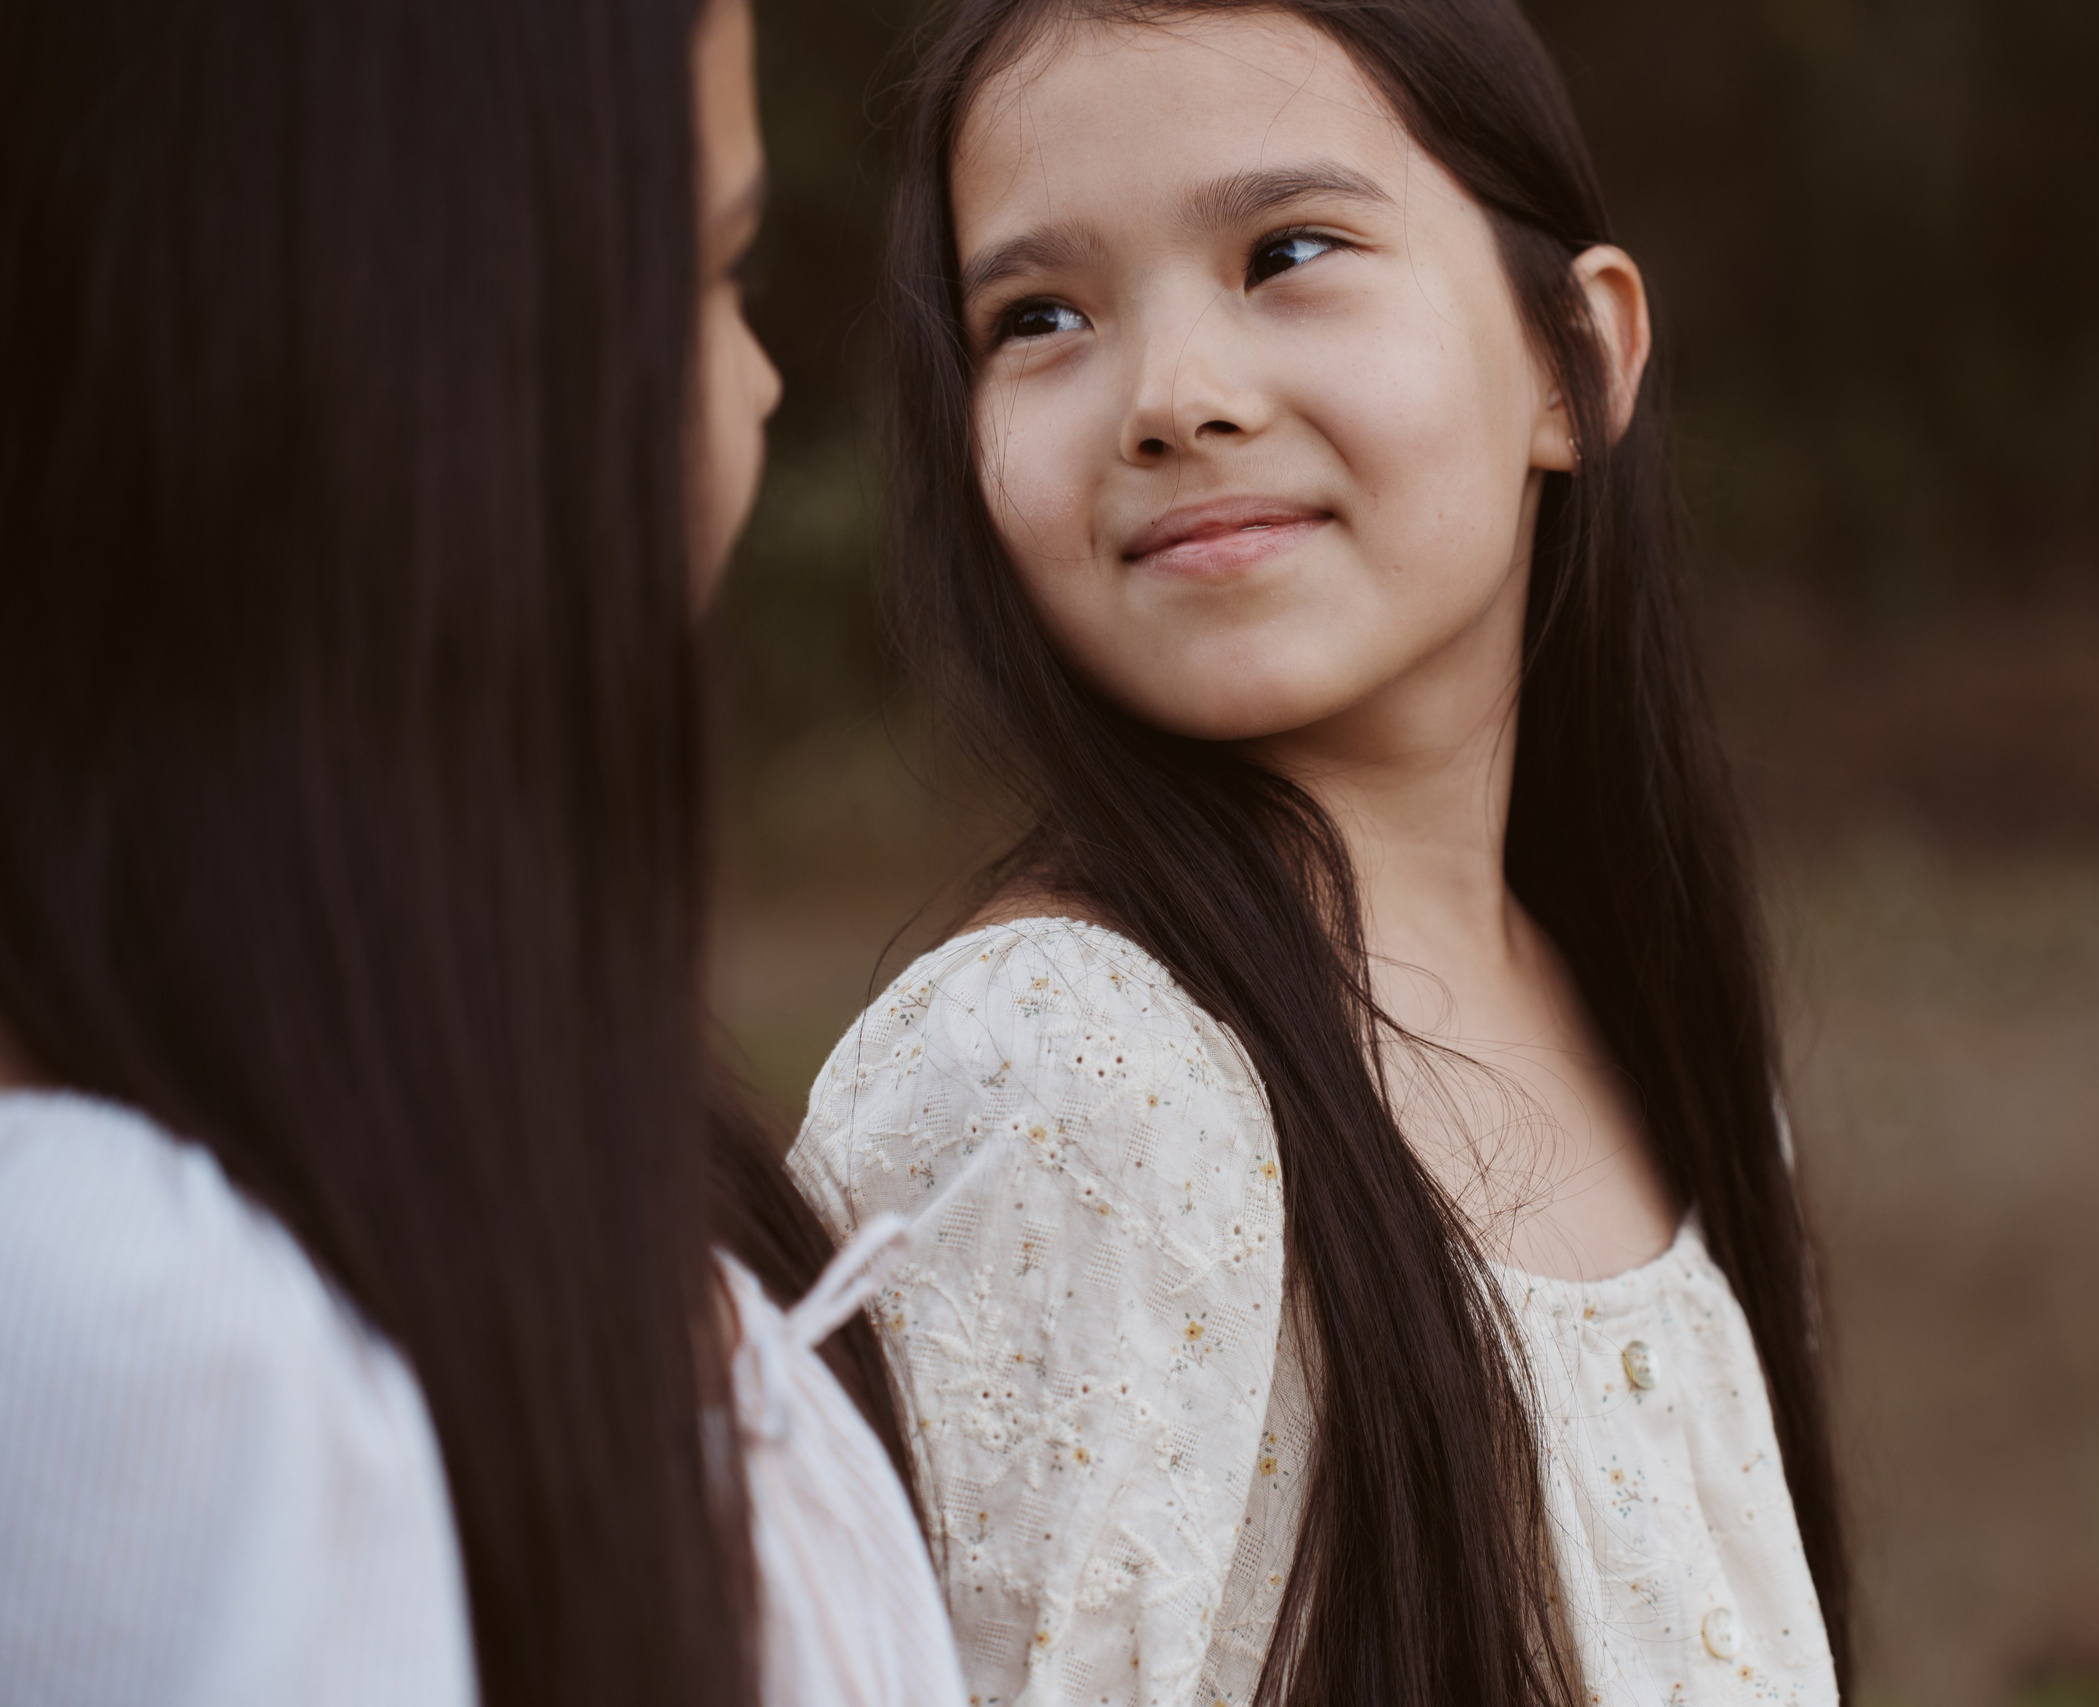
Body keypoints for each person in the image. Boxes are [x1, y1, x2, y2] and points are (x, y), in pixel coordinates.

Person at [786, 1, 1852, 1704]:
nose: (1172, 399)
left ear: (1575, 364)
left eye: (1288, 250)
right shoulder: (1067, 1079)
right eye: (1039, 315)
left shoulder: (1641, 1021)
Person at [0, 0, 961, 1703]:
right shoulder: (133, 1325)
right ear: (454, 364)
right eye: (721, 275)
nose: (761, 379)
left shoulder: (568, 1171)